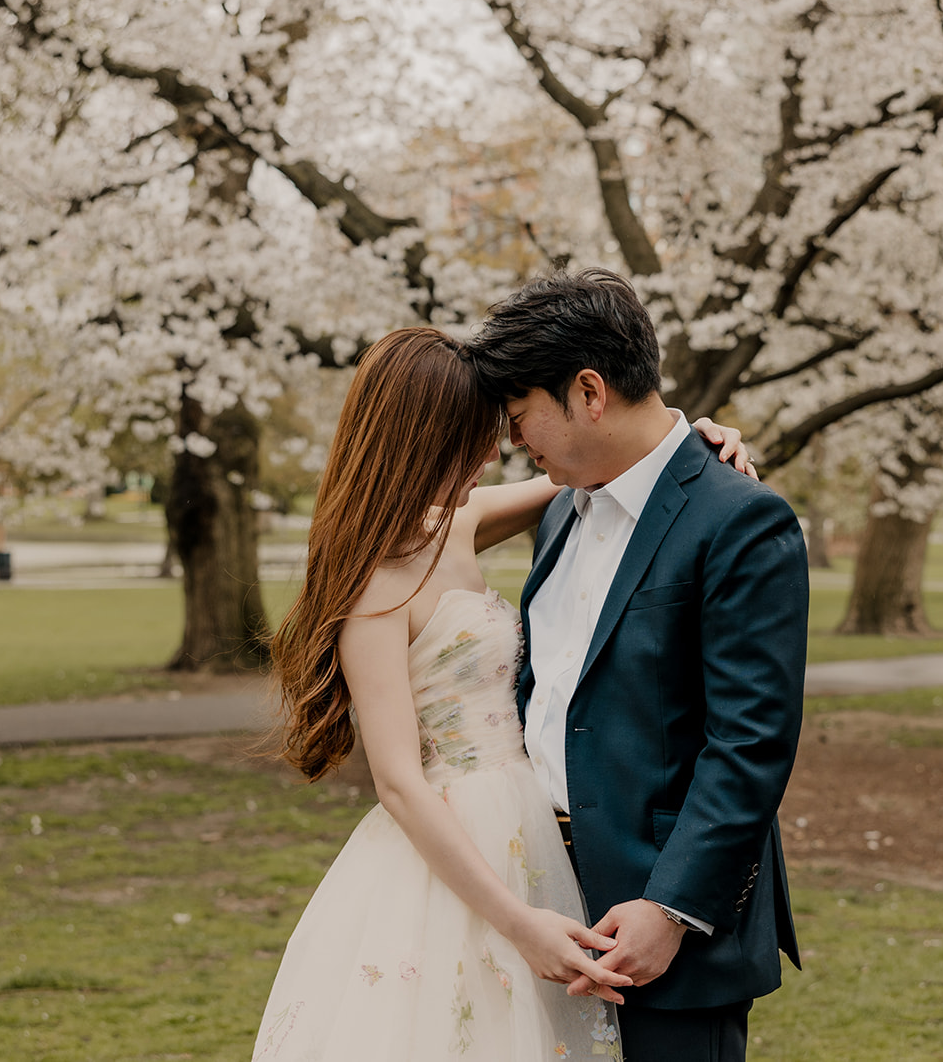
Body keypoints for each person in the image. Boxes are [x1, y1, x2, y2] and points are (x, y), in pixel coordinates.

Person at [250, 326, 753, 1061]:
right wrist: (519, 922)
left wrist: (690, 442)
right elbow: (396, 780)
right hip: (451, 846)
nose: (494, 454)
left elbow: (603, 464)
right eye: (473, 439)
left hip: (532, 822)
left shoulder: (459, 521)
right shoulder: (373, 579)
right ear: (421, 439)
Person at [463, 269, 810, 1062]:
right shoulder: (558, 511)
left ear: (589, 391)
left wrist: (672, 907)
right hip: (542, 900)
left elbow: (751, 740)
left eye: (522, 418)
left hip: (663, 928)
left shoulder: (740, 519)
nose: (516, 444)